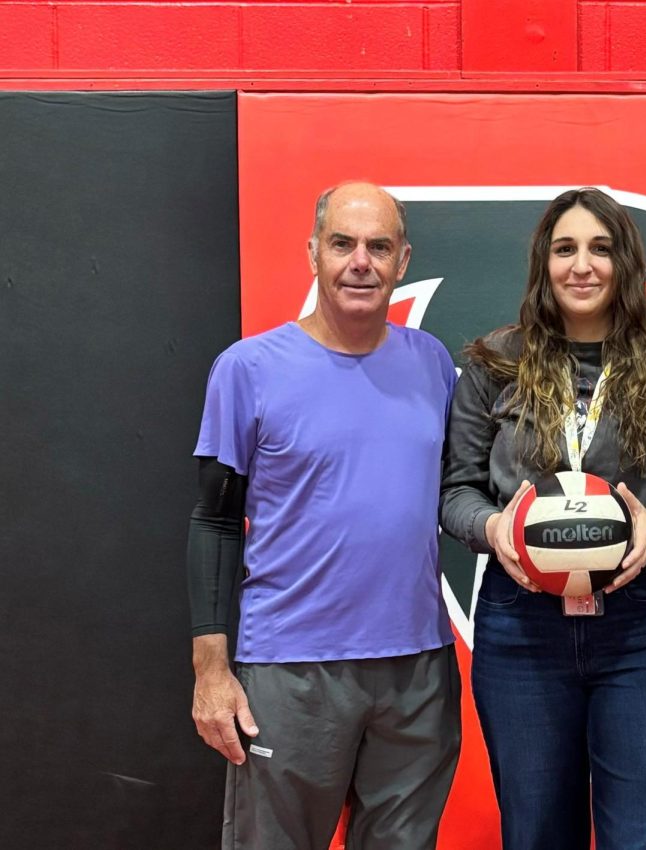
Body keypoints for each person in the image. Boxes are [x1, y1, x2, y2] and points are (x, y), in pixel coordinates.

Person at [187, 182, 461, 850]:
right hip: (290, 671)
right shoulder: (248, 368)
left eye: (379, 246)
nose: (360, 262)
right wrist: (211, 673)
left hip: (417, 669)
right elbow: (215, 522)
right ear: (314, 252)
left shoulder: (433, 364)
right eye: (343, 243)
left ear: (403, 260)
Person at [440, 187, 646, 850]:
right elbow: (455, 493)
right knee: (536, 834)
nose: (581, 266)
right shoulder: (493, 364)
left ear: (626, 263)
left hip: (643, 625)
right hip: (520, 624)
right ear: (543, 263)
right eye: (565, 249)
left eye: (600, 248)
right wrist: (494, 529)